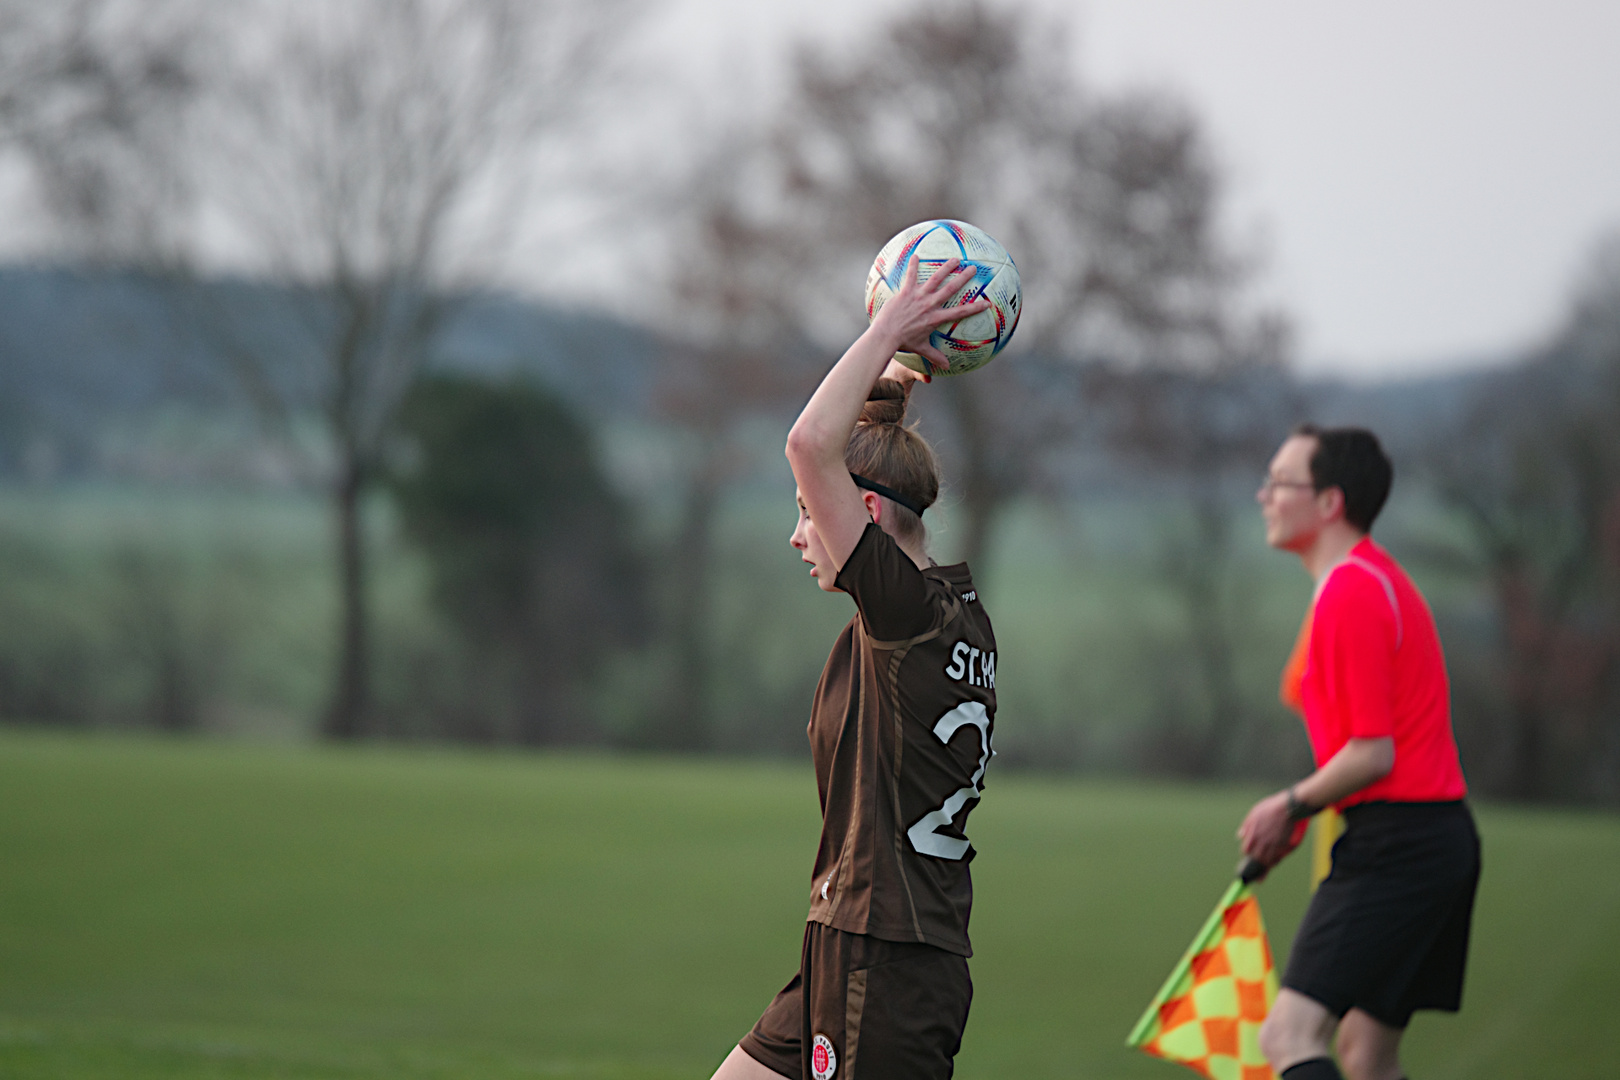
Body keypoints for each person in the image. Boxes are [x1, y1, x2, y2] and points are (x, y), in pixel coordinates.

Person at [710, 255, 999, 1080]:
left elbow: (809, 443)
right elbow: (847, 459)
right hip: (856, 942)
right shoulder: (949, 610)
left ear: (864, 514)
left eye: (808, 513)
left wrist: (888, 328)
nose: (799, 535)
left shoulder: (902, 613)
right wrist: (901, 375)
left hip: (888, 960)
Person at [1239, 425, 1480, 1080]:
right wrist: (1306, 810)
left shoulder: (1350, 589)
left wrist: (1289, 804)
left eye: (1281, 482)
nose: (1264, 495)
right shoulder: (1366, 579)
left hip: (1399, 847)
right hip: (1432, 840)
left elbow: (1373, 754)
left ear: (1329, 504)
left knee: (1289, 1035)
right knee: (1367, 1056)